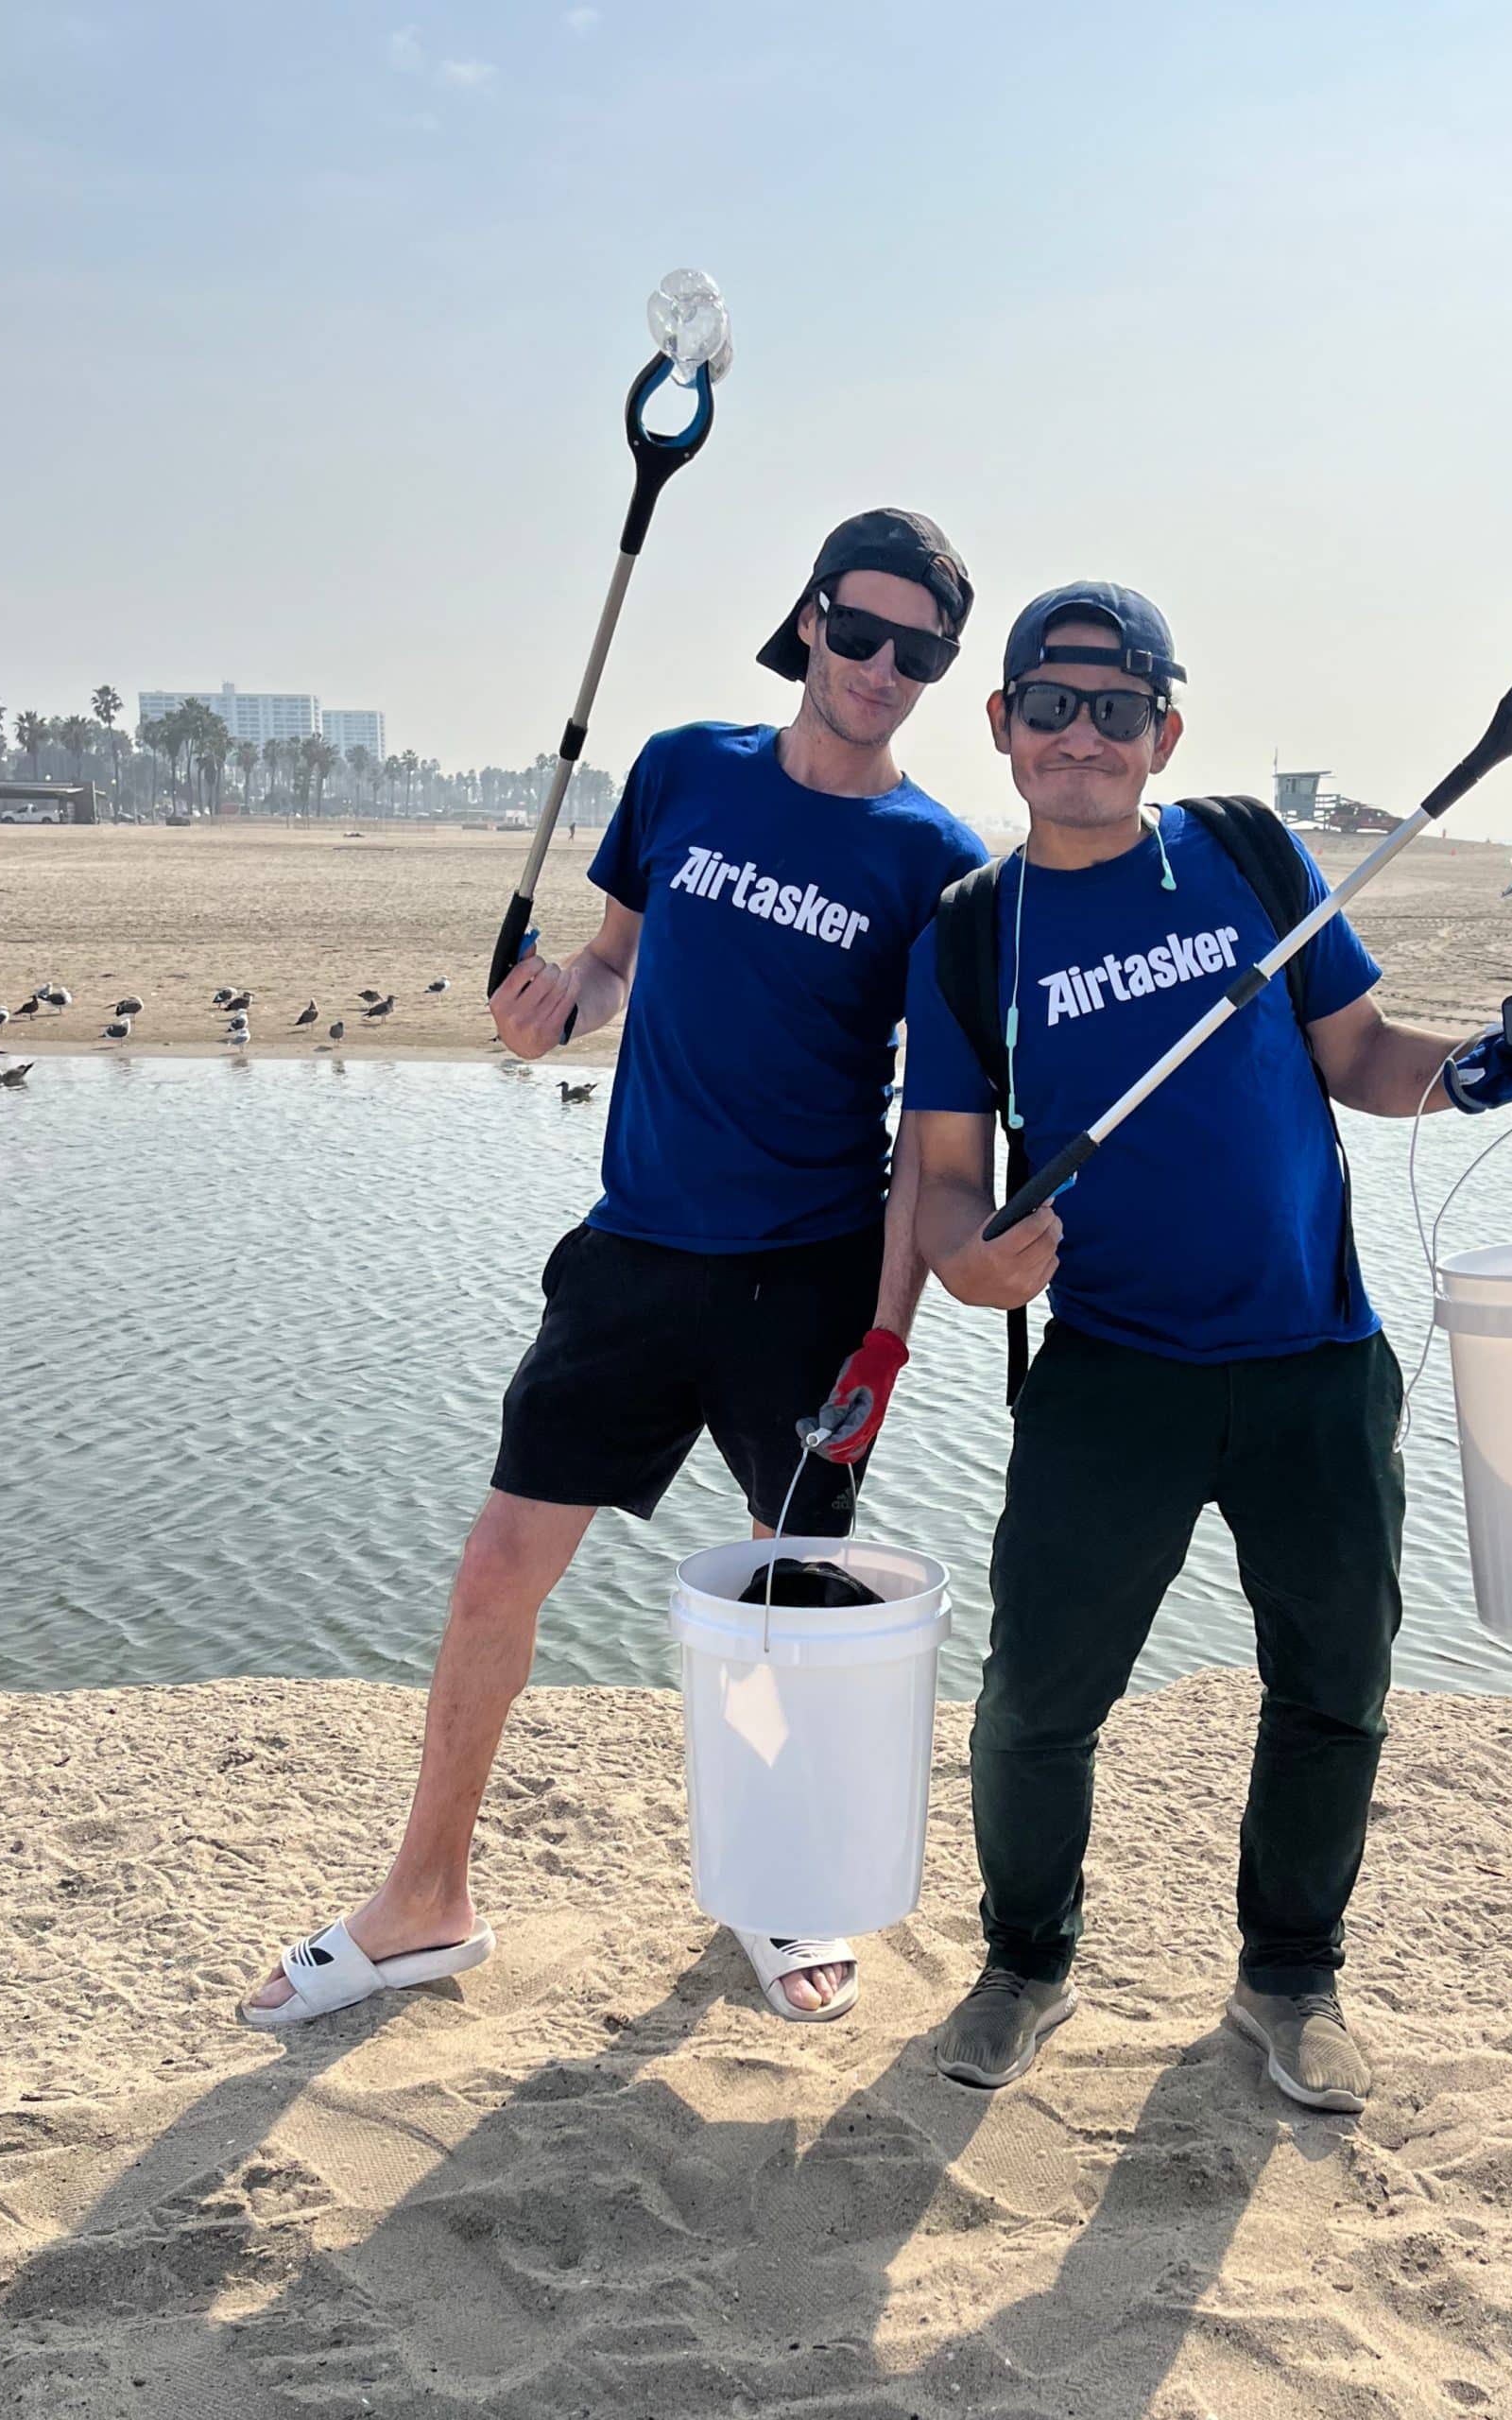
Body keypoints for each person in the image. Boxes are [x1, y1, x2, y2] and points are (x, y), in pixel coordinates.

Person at [243, 510, 986, 2030]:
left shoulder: (940, 862)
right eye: (862, 632)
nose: (882, 670)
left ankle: (785, 1888)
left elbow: (930, 1137)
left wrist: (889, 1338)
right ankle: (426, 1898)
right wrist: (551, 1009)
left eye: (922, 652)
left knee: (795, 1603)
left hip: (813, 1282)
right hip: (635, 1257)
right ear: (811, 619)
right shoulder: (680, 772)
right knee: (497, 1572)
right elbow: (606, 962)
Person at [904, 583, 1512, 2113]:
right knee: (1034, 1702)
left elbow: (1358, 1056)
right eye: (1047, 705)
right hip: (1108, 1375)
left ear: (1163, 730)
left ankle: (1287, 1983)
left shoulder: (1242, 851)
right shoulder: (969, 935)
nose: (1078, 736)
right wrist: (965, 1266)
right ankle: (1024, 1960)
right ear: (1000, 728)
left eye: (1114, 708)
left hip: (1311, 1359)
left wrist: (1486, 1065)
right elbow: (944, 1174)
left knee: (1332, 1687)